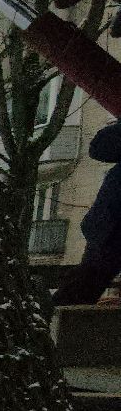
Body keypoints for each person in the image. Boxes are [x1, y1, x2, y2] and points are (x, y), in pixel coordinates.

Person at [54, 122, 121, 306]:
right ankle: (44, 325)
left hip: (109, 226)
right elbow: (98, 148)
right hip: (111, 227)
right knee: (86, 282)